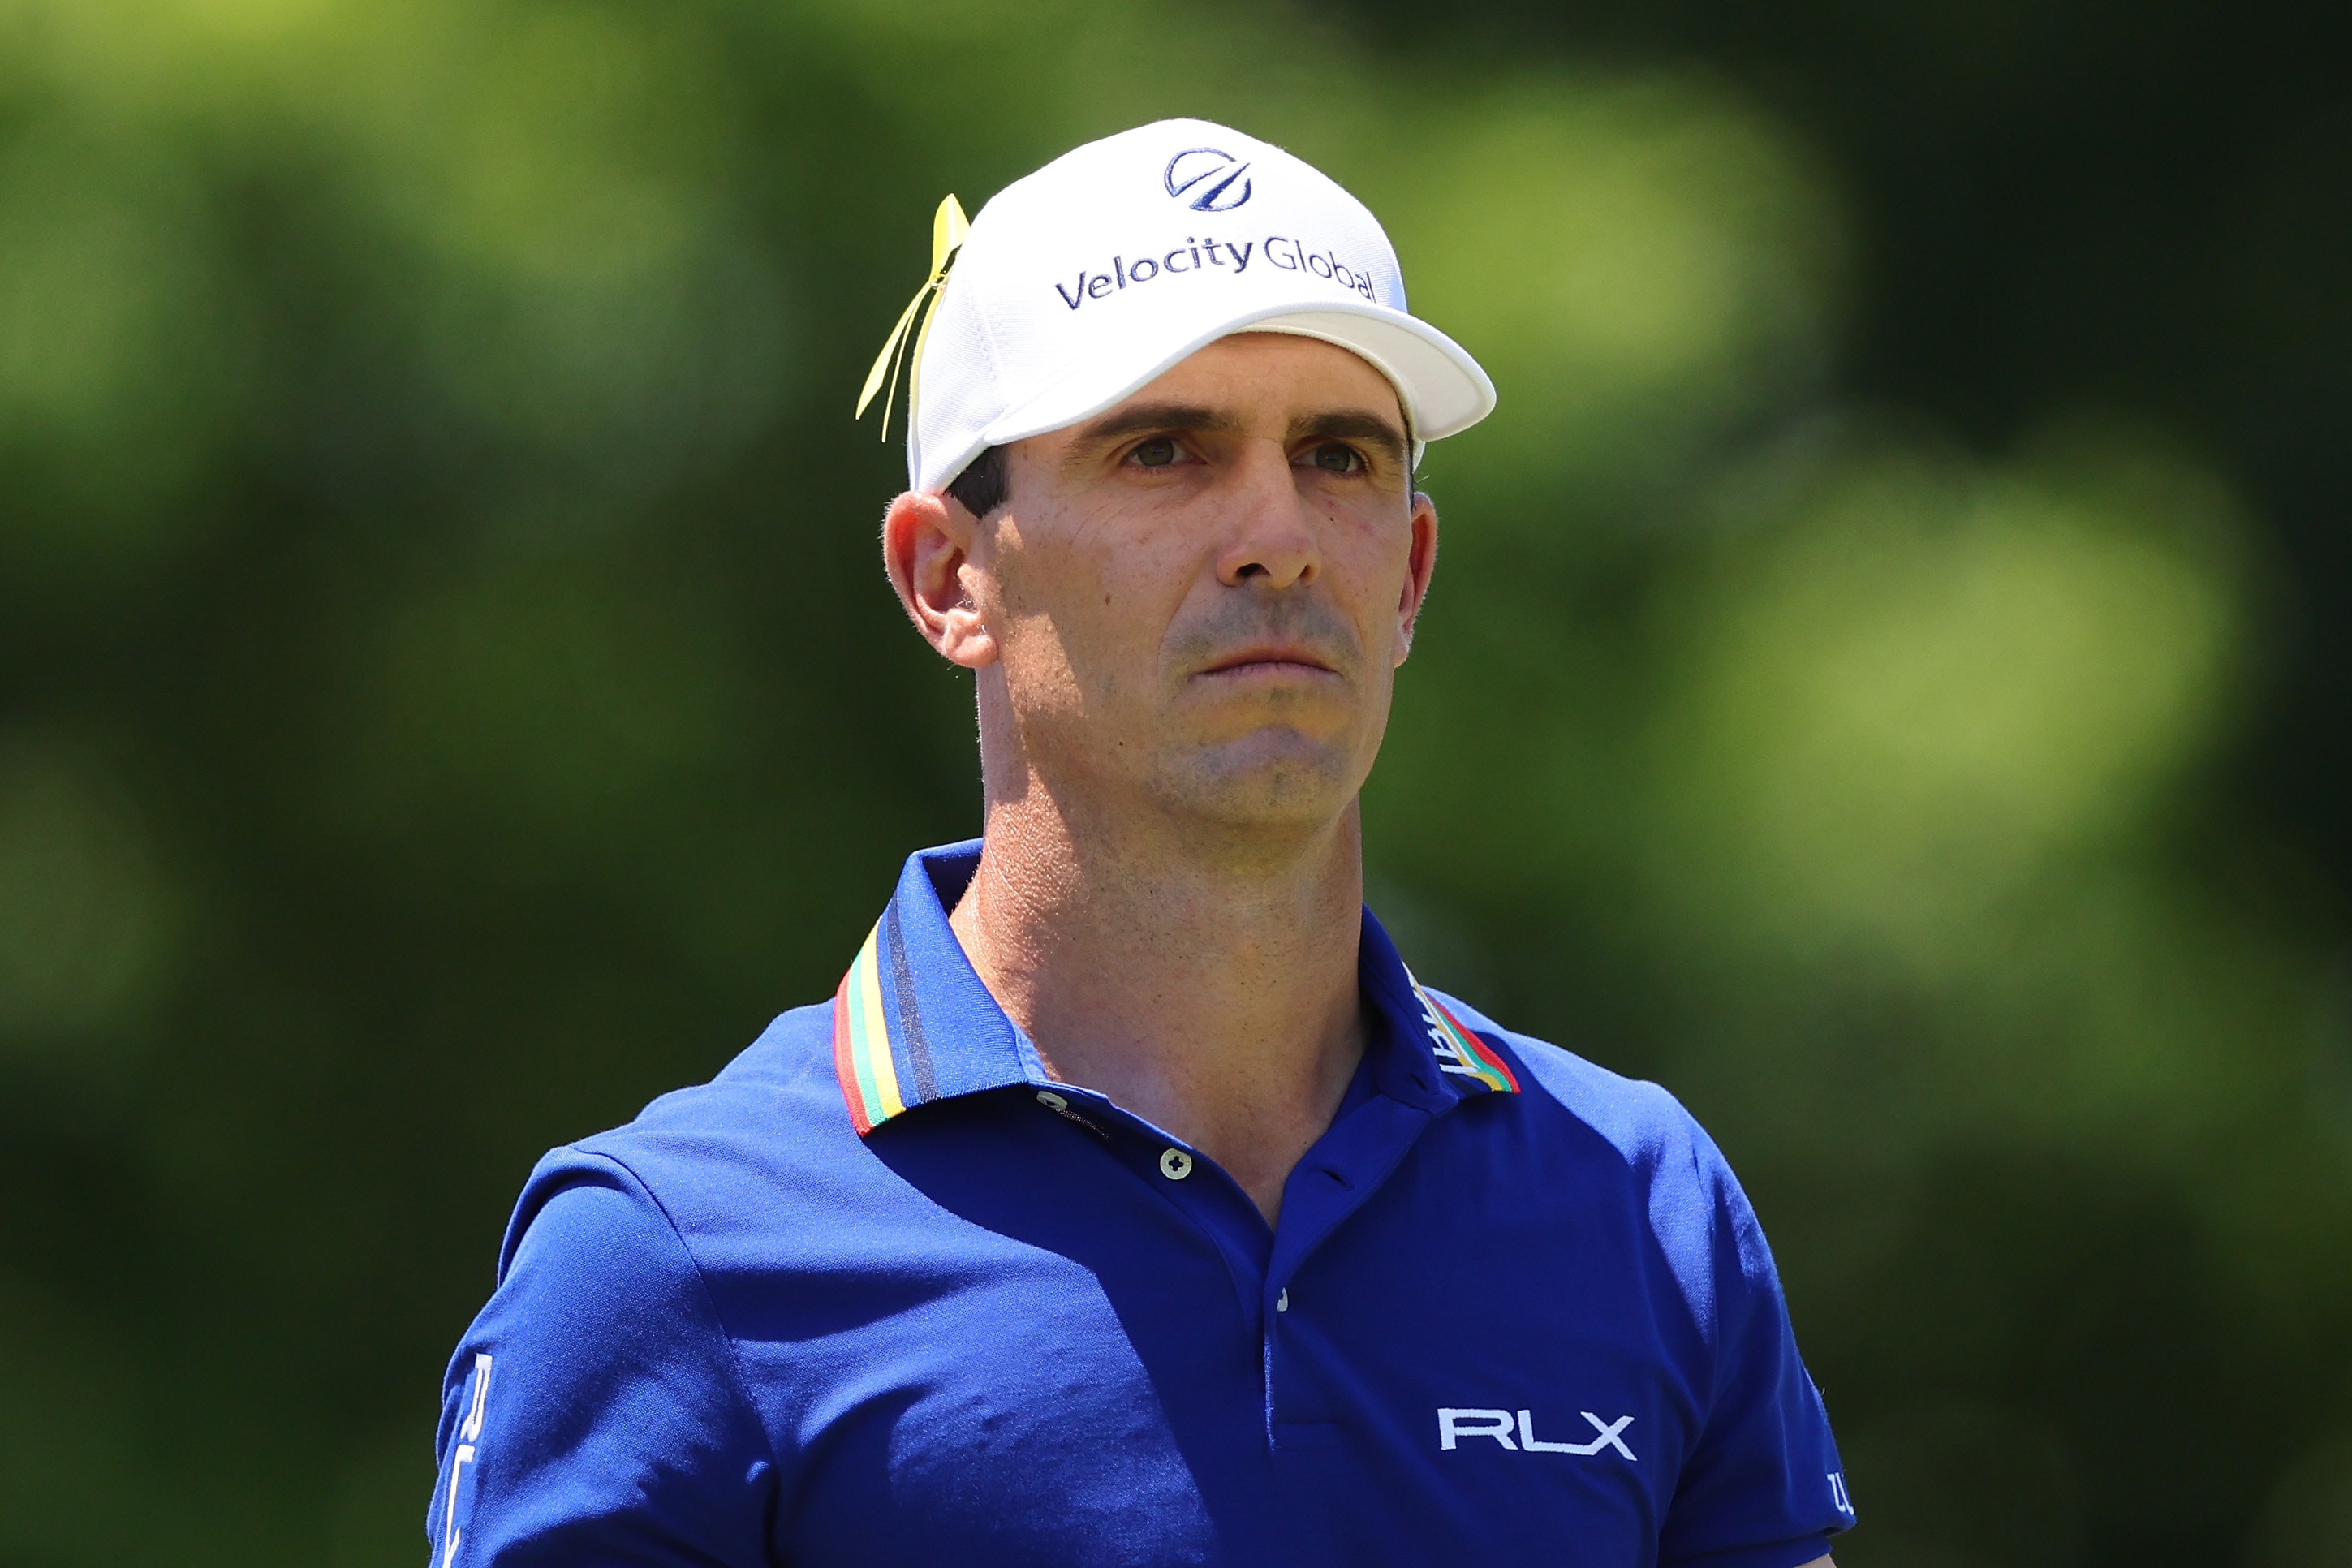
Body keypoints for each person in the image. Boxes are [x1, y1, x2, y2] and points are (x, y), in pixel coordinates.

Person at [427, 118, 1854, 1568]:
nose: (1277, 536)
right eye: (1161, 448)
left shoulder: (1640, 1203)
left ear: (1409, 572)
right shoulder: (673, 1258)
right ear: (946, 575)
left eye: (1339, 455)